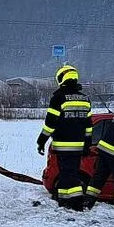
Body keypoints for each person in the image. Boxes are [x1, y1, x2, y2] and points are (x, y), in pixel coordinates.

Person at [37, 64, 92, 209]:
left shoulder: (58, 98)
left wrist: (41, 141)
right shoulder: (85, 99)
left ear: (61, 78)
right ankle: (63, 200)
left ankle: (76, 202)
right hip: (79, 145)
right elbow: (88, 126)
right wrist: (87, 144)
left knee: (68, 174)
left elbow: (50, 124)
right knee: (67, 173)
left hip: (63, 144)